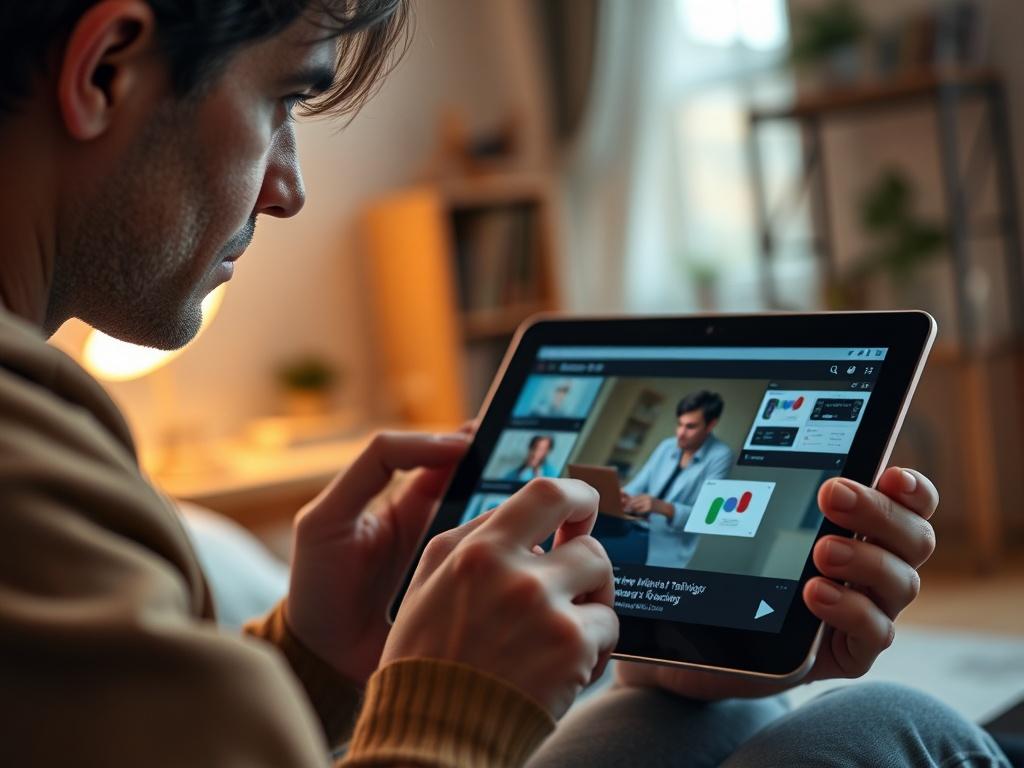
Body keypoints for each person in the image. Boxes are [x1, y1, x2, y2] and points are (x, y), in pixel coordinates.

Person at [0, 2, 1007, 766]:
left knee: (706, 708)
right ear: (106, 69)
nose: (288, 187)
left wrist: (316, 659)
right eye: (283, 99)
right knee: (890, 726)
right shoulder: (25, 453)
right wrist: (446, 709)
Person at [622, 391, 733, 568]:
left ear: (711, 425)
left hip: (669, 549)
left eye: (690, 427)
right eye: (679, 424)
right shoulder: (667, 445)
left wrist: (662, 507)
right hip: (636, 533)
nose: (680, 433)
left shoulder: (720, 455)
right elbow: (637, 485)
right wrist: (622, 496)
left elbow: (707, 516)